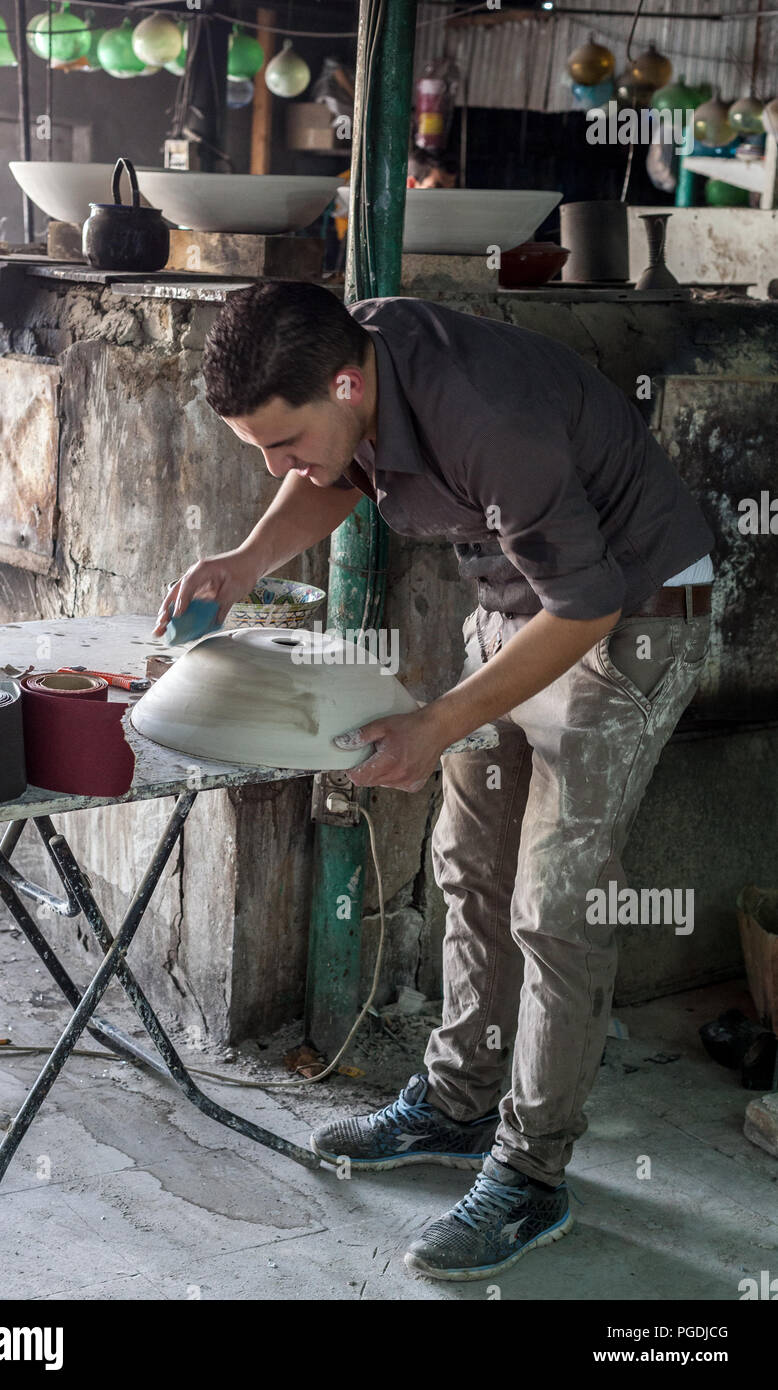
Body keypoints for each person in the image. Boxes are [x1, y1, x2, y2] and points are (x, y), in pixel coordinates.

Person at [153, 282, 714, 1282]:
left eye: (281, 442)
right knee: (469, 867)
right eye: (258, 452)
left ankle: (529, 1171)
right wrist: (242, 562)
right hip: (522, 599)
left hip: (630, 615)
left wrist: (440, 719)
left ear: (343, 379)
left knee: (554, 899)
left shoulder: (486, 419)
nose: (277, 467)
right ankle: (457, 1105)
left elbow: (584, 608)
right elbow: (339, 467)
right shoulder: (352, 359)